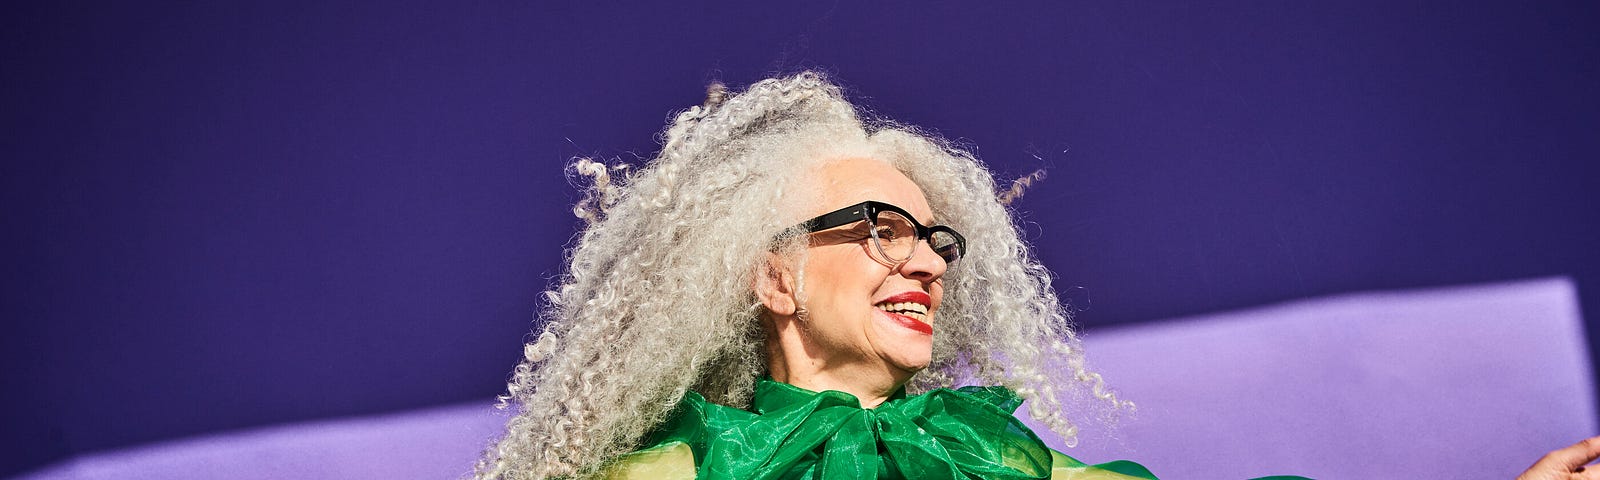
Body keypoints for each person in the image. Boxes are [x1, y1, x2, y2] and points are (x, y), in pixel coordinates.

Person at [473, 71, 1591, 479]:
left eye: (933, 242)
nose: (919, 259)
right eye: (871, 227)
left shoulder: (993, 460)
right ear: (770, 281)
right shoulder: (664, 479)